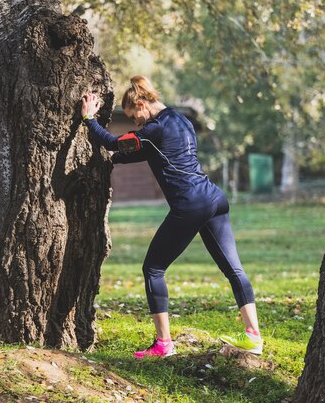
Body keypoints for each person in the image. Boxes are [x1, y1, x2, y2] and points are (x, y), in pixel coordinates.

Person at [80, 76, 262, 357]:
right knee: (233, 269)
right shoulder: (179, 120)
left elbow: (115, 142)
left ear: (141, 104)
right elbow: (151, 152)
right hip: (214, 198)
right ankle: (253, 336)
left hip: (190, 205)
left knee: (153, 269)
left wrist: (89, 118)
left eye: (134, 116)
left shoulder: (153, 128)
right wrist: (112, 162)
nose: (136, 123)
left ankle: (164, 344)